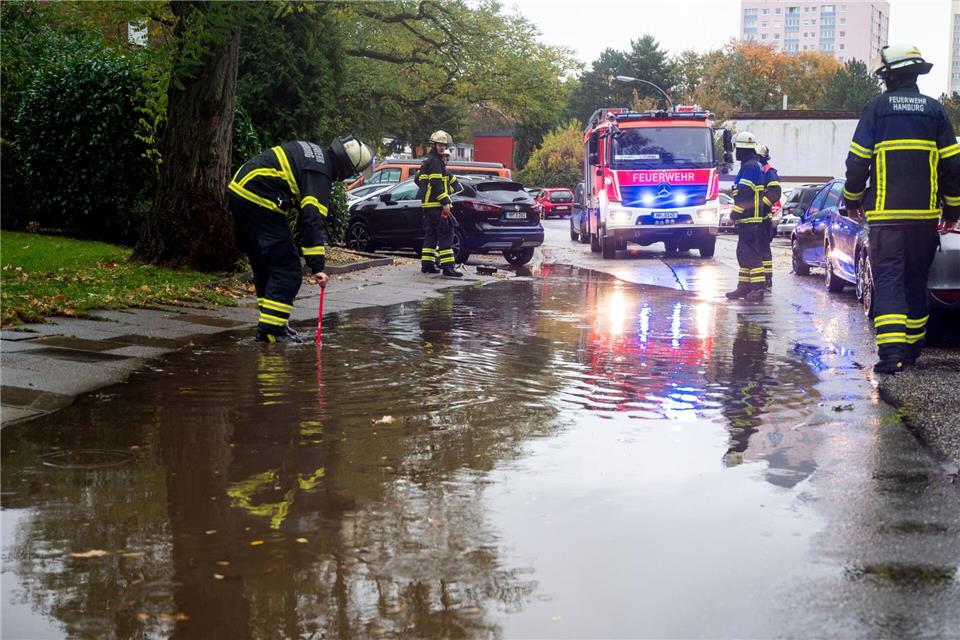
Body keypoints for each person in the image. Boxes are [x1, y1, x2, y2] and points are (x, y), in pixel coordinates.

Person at [843, 44, 960, 373]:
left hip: (886, 221)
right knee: (915, 282)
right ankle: (911, 351)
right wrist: (952, 212)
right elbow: (953, 167)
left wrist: (852, 200)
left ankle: (892, 354)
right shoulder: (936, 112)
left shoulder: (877, 109)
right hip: (924, 221)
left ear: (888, 76)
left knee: (890, 280)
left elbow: (857, 162)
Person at [229, 137, 374, 343]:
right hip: (259, 198)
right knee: (287, 269)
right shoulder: (321, 174)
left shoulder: (316, 156)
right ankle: (272, 330)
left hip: (241, 192)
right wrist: (318, 267)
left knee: (266, 266)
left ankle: (272, 323)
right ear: (345, 169)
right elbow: (313, 220)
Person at [725, 131, 766, 301]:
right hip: (749, 220)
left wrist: (733, 215)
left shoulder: (749, 166)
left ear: (741, 149)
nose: (736, 153)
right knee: (743, 253)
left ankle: (757, 289)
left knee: (750, 255)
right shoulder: (752, 165)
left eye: (737, 149)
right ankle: (744, 287)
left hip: (750, 219)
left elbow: (744, 193)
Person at [417, 130, 462, 277]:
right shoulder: (435, 162)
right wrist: (445, 202)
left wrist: (427, 190)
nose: (442, 148)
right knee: (446, 233)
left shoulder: (428, 161)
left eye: (444, 145)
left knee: (431, 235)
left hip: (428, 205)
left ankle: (427, 265)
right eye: (439, 145)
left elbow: (418, 180)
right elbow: (436, 185)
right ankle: (448, 267)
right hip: (436, 205)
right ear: (433, 145)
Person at [756, 144, 781, 289]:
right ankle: (761, 279)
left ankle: (767, 279)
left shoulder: (768, 171)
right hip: (756, 217)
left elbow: (775, 192)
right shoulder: (758, 170)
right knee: (757, 248)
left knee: (764, 249)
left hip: (764, 218)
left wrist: (761, 205)